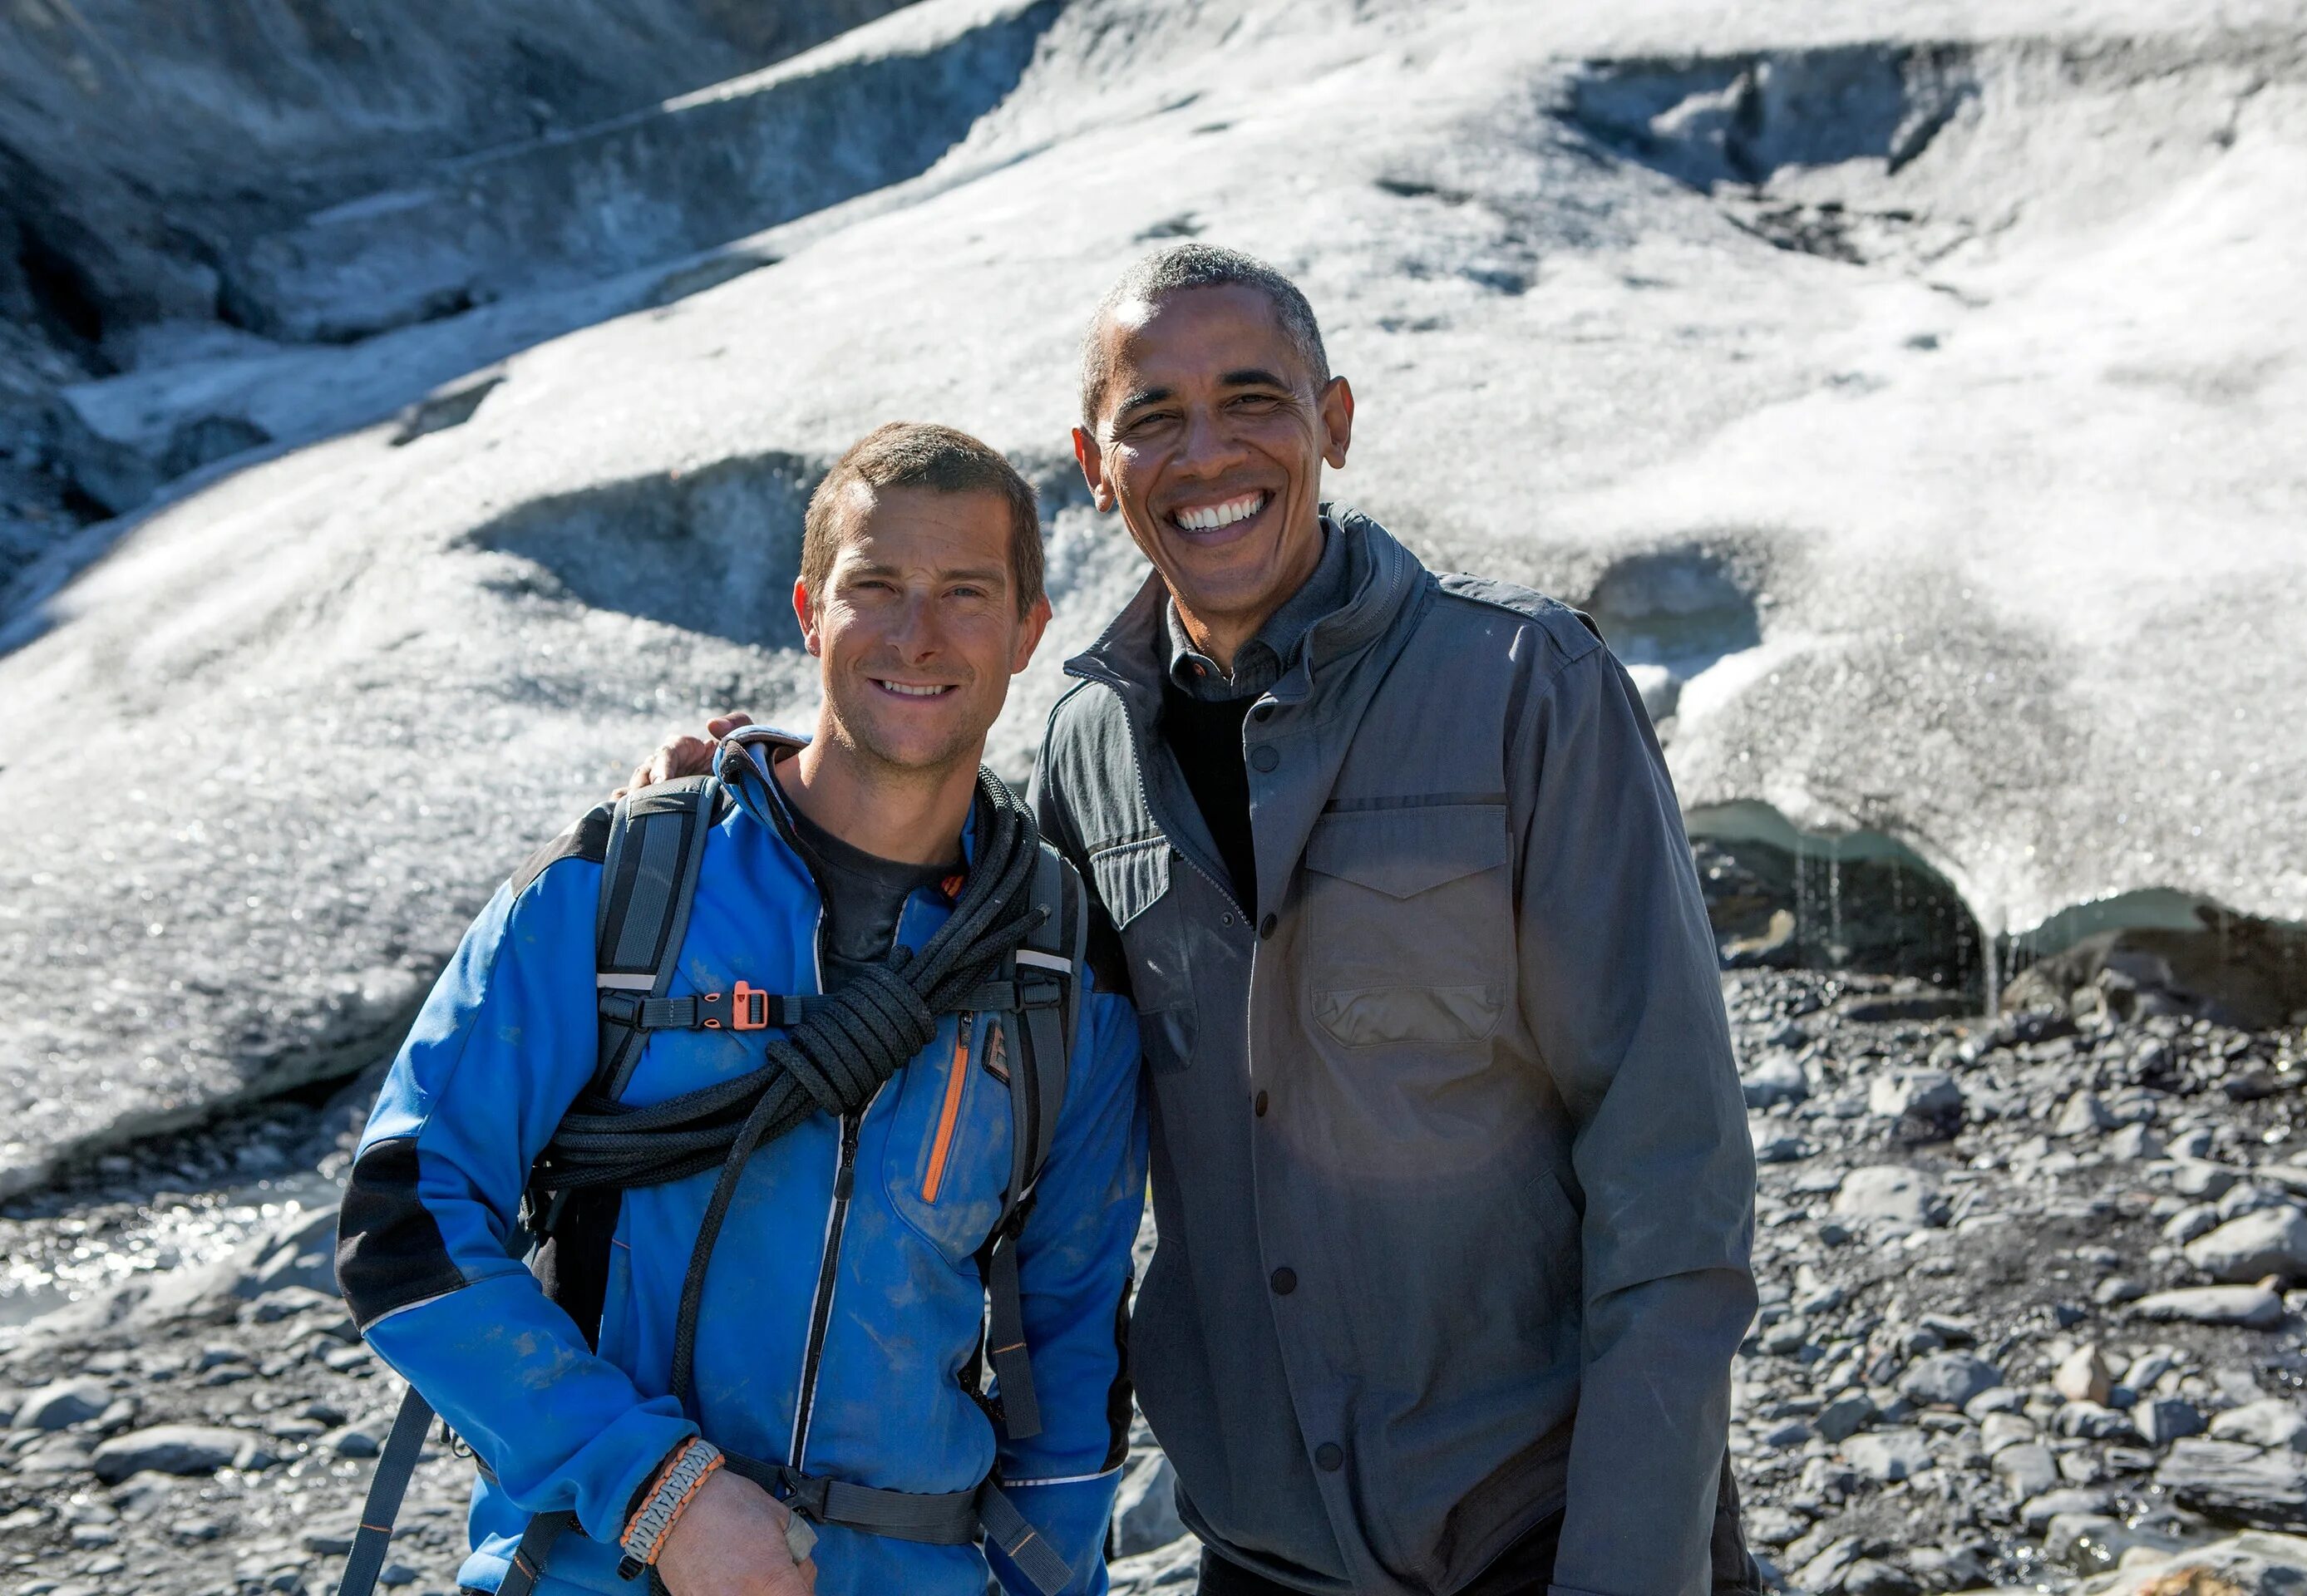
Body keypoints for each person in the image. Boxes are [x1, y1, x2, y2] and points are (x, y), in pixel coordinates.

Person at [639, 246, 1757, 1596]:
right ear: (1097, 464)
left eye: (1253, 400)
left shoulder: (1529, 690)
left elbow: (1671, 1161)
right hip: (1263, 1543)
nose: (1207, 453)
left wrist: (1633, 1564)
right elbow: (955, 938)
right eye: (1153, 417)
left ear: (1333, 424)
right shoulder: (1087, 747)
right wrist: (764, 778)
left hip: (1536, 1522)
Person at [338, 423, 1146, 1596]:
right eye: (877, 587)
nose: (918, 634)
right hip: (596, 1566)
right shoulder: (618, 893)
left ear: (1029, 632)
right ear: (811, 612)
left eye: (966, 593)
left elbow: (1068, 1355)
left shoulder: (1058, 971)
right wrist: (657, 1493)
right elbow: (404, 1214)